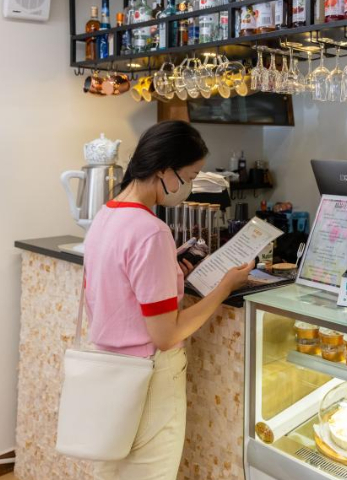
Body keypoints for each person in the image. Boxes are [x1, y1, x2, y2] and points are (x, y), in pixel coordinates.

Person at [82, 121, 253, 480]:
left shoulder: (106, 214)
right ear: (163, 170)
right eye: (189, 176)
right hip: (149, 377)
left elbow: (123, 288)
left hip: (108, 371)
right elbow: (166, 334)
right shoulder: (150, 232)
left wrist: (169, 268)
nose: (189, 187)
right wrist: (224, 286)